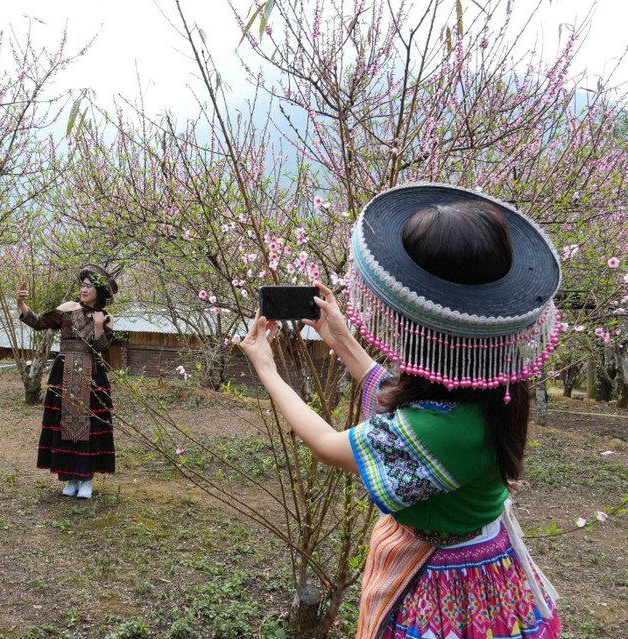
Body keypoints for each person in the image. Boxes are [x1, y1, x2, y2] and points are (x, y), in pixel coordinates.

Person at [240, 184, 561, 639]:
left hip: (442, 591)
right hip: (486, 557)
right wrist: (342, 340)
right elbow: (402, 404)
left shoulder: (442, 430)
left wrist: (267, 368)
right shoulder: (495, 387)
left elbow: (330, 447)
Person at [17, 265, 117, 499]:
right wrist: (21, 304)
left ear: (99, 290)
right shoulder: (68, 309)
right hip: (64, 373)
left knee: (89, 427)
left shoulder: (107, 318)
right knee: (65, 426)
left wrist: (100, 326)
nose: (84, 289)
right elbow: (39, 322)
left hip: (91, 376)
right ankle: (71, 478)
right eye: (82, 285)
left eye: (89, 286)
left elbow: (102, 349)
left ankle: (87, 481)